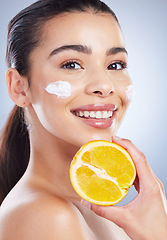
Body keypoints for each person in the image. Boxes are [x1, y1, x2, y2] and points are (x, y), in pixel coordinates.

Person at [0, 0, 166, 239]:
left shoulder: (103, 213)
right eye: (72, 64)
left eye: (115, 64)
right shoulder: (47, 217)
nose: (104, 86)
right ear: (20, 88)